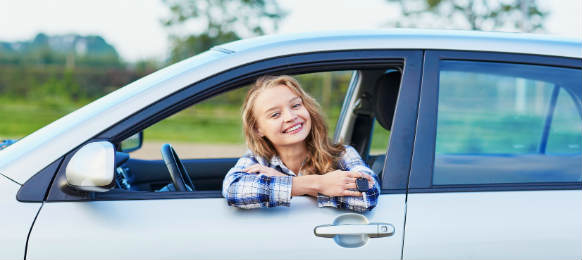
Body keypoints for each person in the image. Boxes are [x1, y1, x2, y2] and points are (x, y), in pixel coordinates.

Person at [222, 75, 379, 212]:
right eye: (275, 114)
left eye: (296, 105)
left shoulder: (342, 154)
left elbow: (368, 194)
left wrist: (284, 181)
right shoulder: (258, 160)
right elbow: (233, 188)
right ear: (258, 129)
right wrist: (317, 184)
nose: (290, 116)